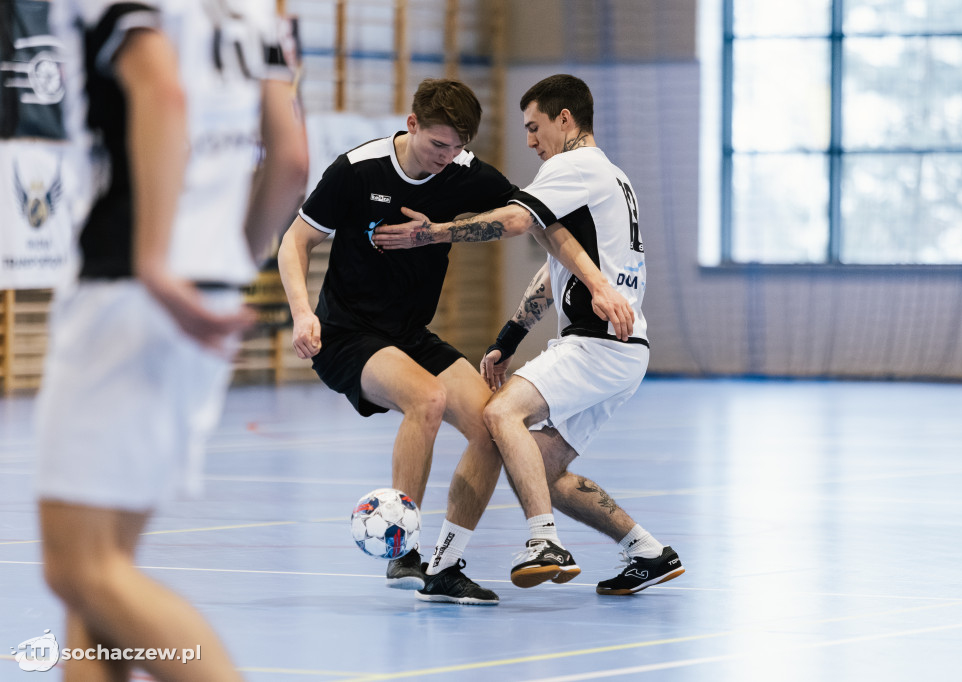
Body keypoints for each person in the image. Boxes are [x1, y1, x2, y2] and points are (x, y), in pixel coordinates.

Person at [36, 2, 308, 680]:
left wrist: (156, 262)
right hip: (203, 284)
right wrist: (226, 265)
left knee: (76, 567)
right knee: (103, 575)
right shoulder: (255, 10)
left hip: (130, 283)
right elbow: (291, 158)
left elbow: (161, 87)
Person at [372, 73, 684, 595]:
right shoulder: (613, 176)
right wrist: (509, 337)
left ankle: (543, 541)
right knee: (539, 467)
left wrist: (433, 234)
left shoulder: (572, 166)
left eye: (534, 127)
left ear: (565, 119)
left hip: (596, 344)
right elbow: (554, 271)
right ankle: (647, 551)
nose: (530, 141)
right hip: (627, 350)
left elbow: (516, 222)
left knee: (499, 415)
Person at [278, 78, 519, 605]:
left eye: (457, 147)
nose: (446, 157)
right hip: (346, 335)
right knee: (427, 398)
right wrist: (301, 314)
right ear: (412, 125)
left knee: (493, 426)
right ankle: (402, 550)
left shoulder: (461, 171)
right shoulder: (357, 170)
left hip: (410, 334)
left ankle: (445, 564)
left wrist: (438, 232)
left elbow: (519, 217)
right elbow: (296, 240)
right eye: (438, 144)